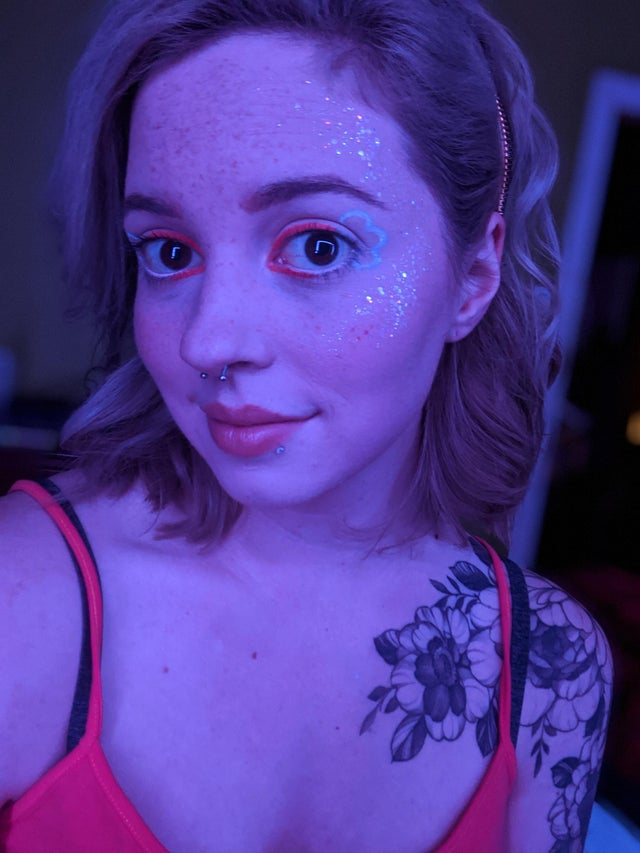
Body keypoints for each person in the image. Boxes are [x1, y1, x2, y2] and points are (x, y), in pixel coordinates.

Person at [0, 0, 613, 850]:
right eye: (169, 251)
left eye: (318, 245)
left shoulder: (550, 671)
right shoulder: (25, 599)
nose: (208, 340)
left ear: (474, 276)